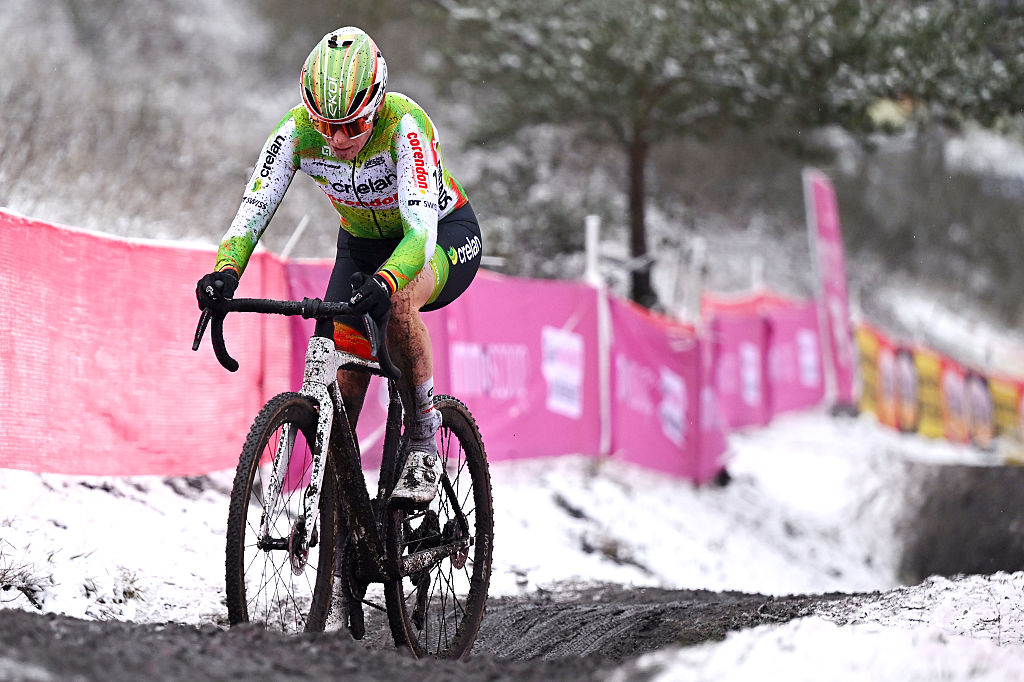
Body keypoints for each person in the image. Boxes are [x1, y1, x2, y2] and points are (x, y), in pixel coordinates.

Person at [196, 26, 482, 504]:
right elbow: (252, 212)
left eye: (353, 124)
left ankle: (423, 439)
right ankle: (344, 525)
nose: (338, 138)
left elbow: (419, 234)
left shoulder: (404, 125)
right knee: (340, 394)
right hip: (361, 245)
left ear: (377, 105)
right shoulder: (295, 132)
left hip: (441, 234)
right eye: (326, 125)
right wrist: (226, 271)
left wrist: (388, 280)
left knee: (400, 301)